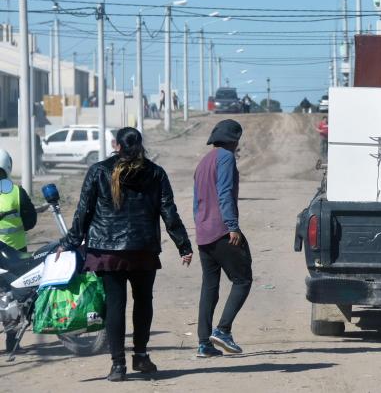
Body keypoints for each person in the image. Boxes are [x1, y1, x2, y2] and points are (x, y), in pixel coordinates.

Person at [57, 127, 193, 382]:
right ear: (140, 145)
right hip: (143, 250)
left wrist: (70, 242)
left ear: (116, 145)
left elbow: (83, 211)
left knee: (115, 306)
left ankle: (118, 365)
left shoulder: (98, 171)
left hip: (107, 251)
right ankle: (140, 356)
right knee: (143, 302)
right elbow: (169, 212)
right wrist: (183, 245)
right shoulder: (155, 172)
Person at [193, 119, 252, 358]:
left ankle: (204, 343)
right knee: (243, 280)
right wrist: (232, 226)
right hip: (222, 231)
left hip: (204, 233)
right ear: (235, 140)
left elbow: (197, 201)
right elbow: (225, 192)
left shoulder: (203, 162)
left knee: (210, 287)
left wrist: (200, 226)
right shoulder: (226, 158)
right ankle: (223, 330)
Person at [0, 149, 37, 353]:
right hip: (14, 254)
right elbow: (31, 220)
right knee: (12, 297)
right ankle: (12, 342)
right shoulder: (15, 192)